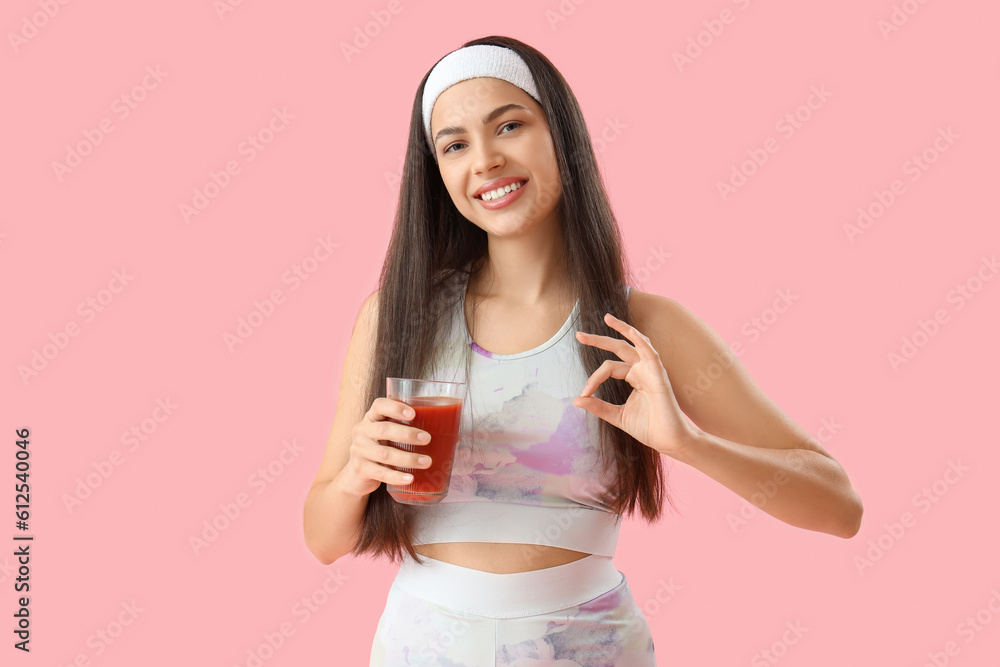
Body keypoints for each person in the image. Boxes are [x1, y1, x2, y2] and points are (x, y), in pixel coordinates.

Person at [303, 35, 863, 666]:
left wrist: (686, 444)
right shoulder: (396, 318)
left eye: (508, 125)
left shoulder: (643, 327)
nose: (484, 161)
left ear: (560, 137)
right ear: (438, 173)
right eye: (455, 145)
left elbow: (840, 507)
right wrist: (357, 474)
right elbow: (323, 539)